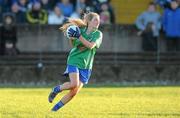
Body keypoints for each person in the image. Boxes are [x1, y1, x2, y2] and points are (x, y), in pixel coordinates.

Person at [48, 12, 103, 111]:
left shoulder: (98, 34)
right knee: (74, 84)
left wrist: (79, 37)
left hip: (86, 66)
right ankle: (56, 90)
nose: (98, 22)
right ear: (88, 21)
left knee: (74, 92)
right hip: (74, 60)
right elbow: (75, 43)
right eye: (95, 19)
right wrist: (75, 36)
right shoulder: (79, 31)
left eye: (98, 20)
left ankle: (53, 110)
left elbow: (91, 46)